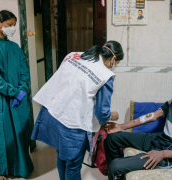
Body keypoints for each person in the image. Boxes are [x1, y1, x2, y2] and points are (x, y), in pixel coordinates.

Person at [104, 56, 172, 180]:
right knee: (112, 138)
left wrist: (164, 154)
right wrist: (121, 126)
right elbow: (155, 115)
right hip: (160, 139)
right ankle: (119, 176)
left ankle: (117, 171)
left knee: (114, 166)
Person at [31, 41, 124, 180]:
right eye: (116, 63)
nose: (113, 66)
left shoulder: (74, 55)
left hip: (52, 113)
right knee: (73, 164)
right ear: (113, 59)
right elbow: (102, 113)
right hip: (72, 124)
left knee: (62, 156)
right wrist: (112, 115)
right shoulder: (106, 75)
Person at [0, 10, 34, 180]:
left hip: (19, 99)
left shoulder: (15, 48)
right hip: (0, 99)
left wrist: (23, 90)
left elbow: (24, 72)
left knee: (20, 133)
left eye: (14, 25)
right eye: (9, 25)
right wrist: (14, 92)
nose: (12, 28)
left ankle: (20, 167)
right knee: (1, 133)